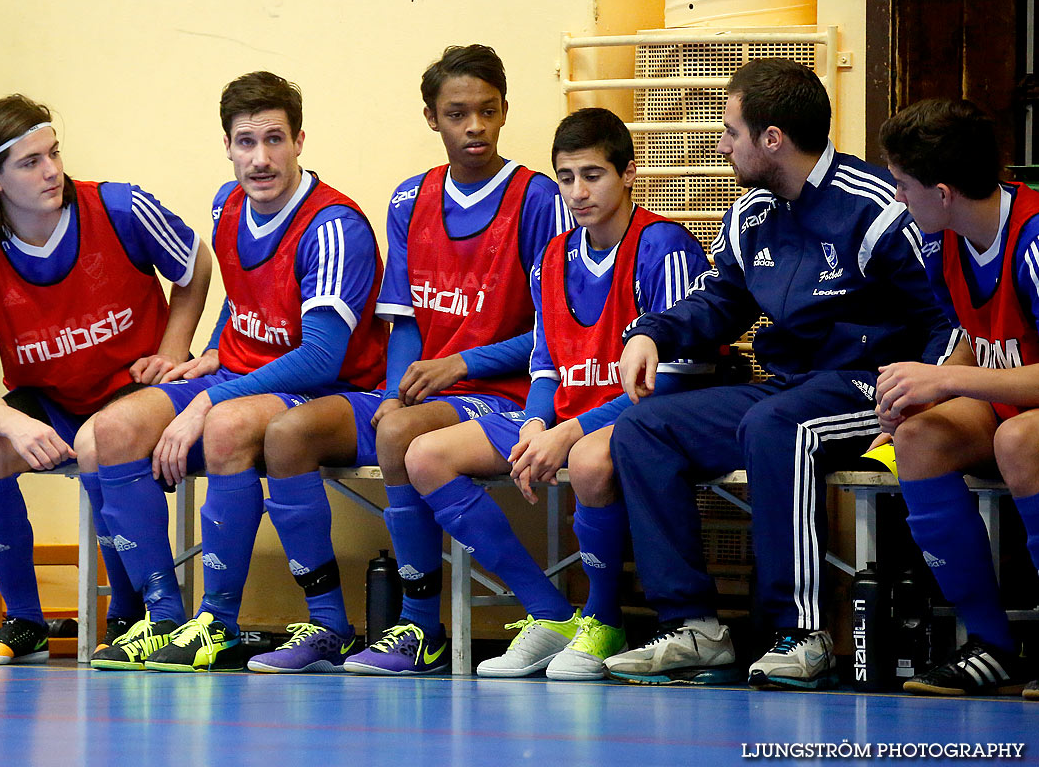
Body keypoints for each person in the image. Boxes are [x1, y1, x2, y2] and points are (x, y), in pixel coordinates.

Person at [602, 57, 955, 690]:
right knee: (643, 430)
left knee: (774, 427)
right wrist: (653, 331)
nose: (721, 143)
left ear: (772, 140)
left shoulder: (874, 208)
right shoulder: (750, 212)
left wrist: (920, 396)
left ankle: (802, 633)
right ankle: (694, 629)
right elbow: (720, 301)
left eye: (730, 131)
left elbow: (942, 317)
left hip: (867, 384)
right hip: (788, 387)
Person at [246, 44, 569, 675]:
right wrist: (396, 388)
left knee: (397, 431)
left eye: (487, 111)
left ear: (504, 112)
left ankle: (421, 629)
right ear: (431, 118)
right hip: (426, 391)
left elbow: (556, 331)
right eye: (457, 113)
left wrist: (462, 365)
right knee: (287, 435)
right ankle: (329, 630)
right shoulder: (408, 201)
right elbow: (405, 322)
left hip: (505, 392)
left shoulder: (537, 199)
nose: (474, 126)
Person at [400, 107, 714, 679]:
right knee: (425, 455)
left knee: (591, 461)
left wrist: (570, 432)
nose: (577, 191)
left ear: (629, 173)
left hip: (641, 417)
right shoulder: (554, 254)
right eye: (565, 177)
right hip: (564, 414)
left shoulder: (663, 245)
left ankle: (603, 620)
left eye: (592, 174)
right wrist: (536, 425)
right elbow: (544, 362)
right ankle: (550, 614)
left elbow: (673, 378)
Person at [89, 71, 387, 671]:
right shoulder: (228, 206)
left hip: (333, 391)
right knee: (112, 430)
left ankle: (218, 622)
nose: (260, 158)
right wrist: (211, 353)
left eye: (274, 139)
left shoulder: (333, 228)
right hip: (248, 379)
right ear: (226, 145)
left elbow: (321, 356)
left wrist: (205, 400)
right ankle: (163, 617)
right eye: (245, 142)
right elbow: (246, 301)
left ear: (301, 140)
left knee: (223, 425)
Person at [0, 95, 212, 665]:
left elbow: (196, 265)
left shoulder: (118, 208)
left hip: (143, 392)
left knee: (99, 439)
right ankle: (24, 622)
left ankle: (140, 611)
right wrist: (16, 427)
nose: (51, 171)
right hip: (58, 398)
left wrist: (171, 351)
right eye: (30, 162)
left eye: (54, 153)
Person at [875, 98, 1039, 699]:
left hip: (1026, 418)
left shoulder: (1035, 237)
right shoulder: (940, 241)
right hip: (1013, 399)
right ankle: (992, 645)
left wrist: (945, 380)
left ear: (942, 192)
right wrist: (923, 394)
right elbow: (979, 338)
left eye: (902, 185)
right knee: (919, 437)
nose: (897, 200)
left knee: (1018, 440)